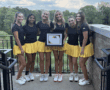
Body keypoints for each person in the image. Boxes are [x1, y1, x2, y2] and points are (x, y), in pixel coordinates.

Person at [76, 12, 94, 85]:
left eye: (79, 16)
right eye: (77, 16)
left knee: (81, 62)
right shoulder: (80, 25)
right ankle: (85, 77)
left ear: (82, 17)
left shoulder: (84, 25)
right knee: (81, 63)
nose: (77, 17)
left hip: (86, 47)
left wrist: (82, 48)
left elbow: (85, 38)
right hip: (84, 46)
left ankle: (86, 80)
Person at [36, 10, 54, 82]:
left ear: (48, 16)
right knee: (41, 59)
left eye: (46, 14)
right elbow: (37, 32)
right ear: (41, 15)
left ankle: (46, 74)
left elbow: (53, 33)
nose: (45, 15)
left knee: (47, 59)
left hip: (48, 43)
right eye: (44, 14)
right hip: (40, 42)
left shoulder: (50, 23)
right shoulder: (39, 23)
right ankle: (42, 74)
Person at [52, 10, 68, 82]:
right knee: (56, 58)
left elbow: (66, 34)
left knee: (60, 58)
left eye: (59, 14)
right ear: (55, 16)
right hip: (54, 43)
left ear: (62, 15)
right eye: (57, 15)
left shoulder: (65, 24)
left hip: (61, 44)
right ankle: (56, 74)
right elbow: (51, 33)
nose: (58, 16)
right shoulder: (53, 24)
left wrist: (64, 40)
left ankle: (60, 74)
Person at [23, 14, 38, 82]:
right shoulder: (24, 27)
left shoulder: (36, 26)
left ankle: (31, 73)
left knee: (33, 60)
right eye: (30, 18)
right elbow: (21, 35)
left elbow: (39, 33)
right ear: (28, 18)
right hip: (27, 44)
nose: (32, 19)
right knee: (29, 60)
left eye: (33, 18)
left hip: (34, 44)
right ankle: (26, 74)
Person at [12, 12, 26, 85]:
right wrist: (21, 49)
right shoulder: (15, 26)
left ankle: (20, 76)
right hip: (18, 47)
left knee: (21, 63)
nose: (21, 18)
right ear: (16, 17)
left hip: (21, 46)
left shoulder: (20, 25)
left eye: (22, 16)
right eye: (19, 16)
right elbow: (17, 39)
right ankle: (17, 78)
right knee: (24, 63)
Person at [64, 16, 79, 82]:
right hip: (69, 46)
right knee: (70, 61)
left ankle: (76, 74)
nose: (71, 22)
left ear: (75, 20)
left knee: (75, 62)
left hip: (75, 46)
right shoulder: (68, 28)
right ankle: (71, 74)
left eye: (72, 20)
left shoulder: (78, 27)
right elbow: (66, 36)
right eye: (69, 21)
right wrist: (63, 41)